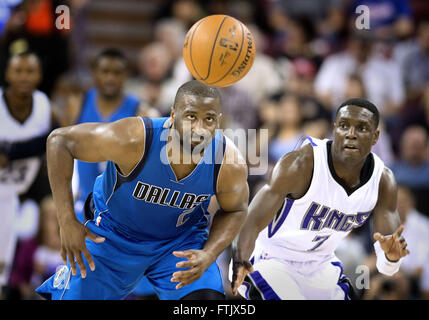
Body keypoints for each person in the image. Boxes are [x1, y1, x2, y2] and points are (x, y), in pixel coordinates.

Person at [36, 80, 249, 300]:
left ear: (219, 122)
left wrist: (209, 253)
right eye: (191, 116)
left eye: (209, 119)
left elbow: (236, 210)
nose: (199, 128)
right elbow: (59, 142)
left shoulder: (228, 162)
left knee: (205, 301)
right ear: (173, 115)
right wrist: (66, 222)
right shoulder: (135, 137)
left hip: (178, 244)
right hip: (112, 238)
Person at [231, 98, 409, 300]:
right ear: (334, 130)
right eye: (343, 126)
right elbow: (252, 220)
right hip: (271, 258)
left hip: (321, 265)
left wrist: (391, 259)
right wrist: (240, 259)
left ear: (375, 136)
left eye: (361, 128)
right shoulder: (302, 164)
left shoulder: (382, 181)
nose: (350, 134)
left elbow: (387, 265)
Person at [0, 51, 51, 296]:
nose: (24, 76)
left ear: (39, 75)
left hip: (15, 191)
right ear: (8, 74)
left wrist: (10, 152)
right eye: (18, 70)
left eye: (30, 71)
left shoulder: (42, 104)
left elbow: (53, 138)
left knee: (3, 267)